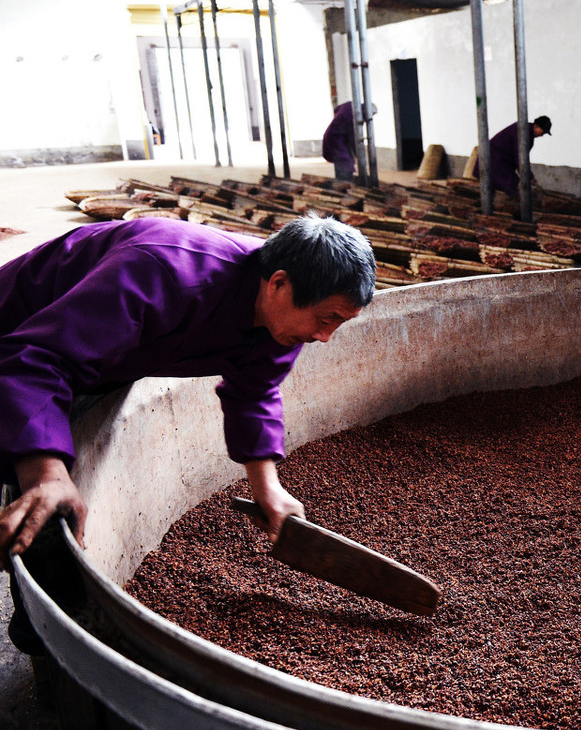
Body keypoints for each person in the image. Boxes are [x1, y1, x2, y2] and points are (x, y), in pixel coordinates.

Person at [0, 215, 376, 650]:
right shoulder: (162, 272)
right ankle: (52, 652)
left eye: (338, 324)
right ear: (278, 284)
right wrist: (47, 474)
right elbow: (34, 360)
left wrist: (266, 487)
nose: (326, 337)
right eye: (325, 318)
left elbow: (254, 390)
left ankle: (49, 650)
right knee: (48, 502)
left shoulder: (282, 324)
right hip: (17, 340)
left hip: (71, 360)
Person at [474, 115, 552, 200]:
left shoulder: (527, 134)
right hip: (492, 161)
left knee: (513, 187)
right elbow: (520, 158)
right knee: (513, 188)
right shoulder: (522, 131)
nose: (542, 135)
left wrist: (528, 176)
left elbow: (522, 159)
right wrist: (529, 176)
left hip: (500, 163)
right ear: (536, 126)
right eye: (543, 132)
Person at [323, 102, 377, 182]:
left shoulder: (350, 105)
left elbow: (336, 109)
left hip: (333, 135)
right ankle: (344, 181)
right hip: (337, 139)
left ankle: (342, 179)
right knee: (344, 160)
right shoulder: (354, 117)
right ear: (365, 111)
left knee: (343, 160)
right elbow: (353, 138)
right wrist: (357, 154)